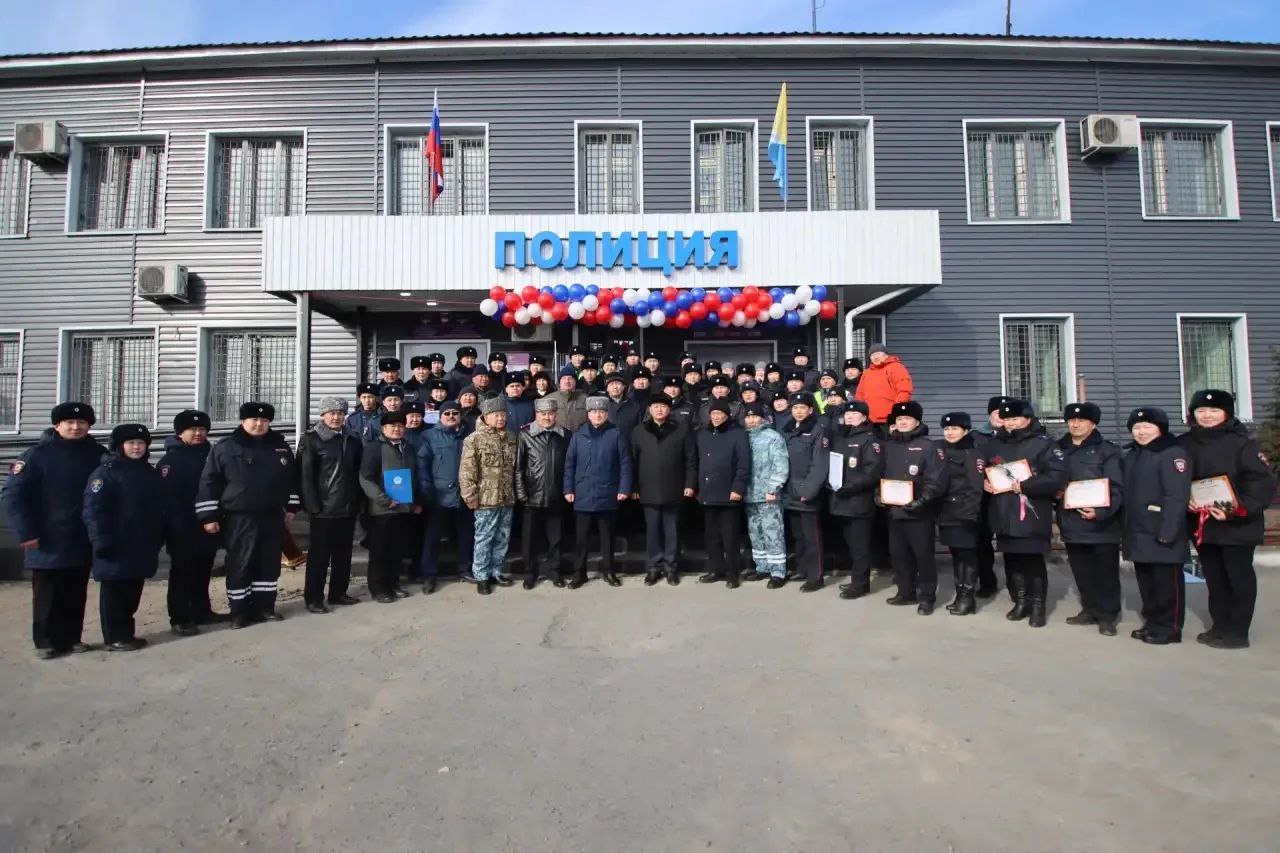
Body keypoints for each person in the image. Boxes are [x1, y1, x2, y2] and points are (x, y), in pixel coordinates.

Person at [4, 403, 105, 659]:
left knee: (75, 590)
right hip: (47, 536)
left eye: (81, 423)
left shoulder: (98, 455)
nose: (76, 427)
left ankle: (71, 638)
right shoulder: (36, 456)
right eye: (69, 422)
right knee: (47, 593)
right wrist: (26, 531)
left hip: (81, 535)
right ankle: (46, 641)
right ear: (57, 425)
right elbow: (14, 496)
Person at [1180, 390, 1277, 649]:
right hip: (1203, 523)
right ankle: (1220, 625)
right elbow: (1176, 480)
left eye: (1214, 411)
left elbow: (1261, 484)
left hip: (1237, 524)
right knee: (1214, 578)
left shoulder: (1243, 444)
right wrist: (1185, 500)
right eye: (1201, 410)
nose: (1207, 415)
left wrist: (1236, 508)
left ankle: (1237, 631)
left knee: (1238, 577)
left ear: (1226, 413)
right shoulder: (1184, 444)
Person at [196, 402, 301, 628]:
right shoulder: (226, 447)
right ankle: (239, 612)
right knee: (240, 563)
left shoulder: (280, 447)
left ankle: (265, 607)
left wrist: (292, 507)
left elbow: (291, 479)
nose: (259, 424)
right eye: (254, 419)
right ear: (243, 421)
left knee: (268, 563)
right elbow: (210, 482)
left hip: (272, 516)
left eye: (264, 420)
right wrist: (208, 516)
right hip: (239, 517)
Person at [82, 424, 171, 651]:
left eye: (141, 443)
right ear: (119, 446)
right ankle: (115, 637)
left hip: (141, 542)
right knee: (115, 593)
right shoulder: (106, 473)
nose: (136, 447)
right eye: (131, 443)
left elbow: (159, 507)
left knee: (132, 591)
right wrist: (100, 539)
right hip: (115, 543)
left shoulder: (149, 472)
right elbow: (94, 510)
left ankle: (126, 634)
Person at [982, 399, 1067, 628]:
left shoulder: (1043, 443)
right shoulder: (995, 444)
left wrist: (1026, 486)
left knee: (1032, 561)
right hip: (1003, 510)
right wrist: (986, 483)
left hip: (1031, 512)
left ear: (1028, 419)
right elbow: (985, 470)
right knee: (1012, 560)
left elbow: (1056, 476)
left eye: (1015, 418)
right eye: (1006, 419)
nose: (1010, 423)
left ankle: (1038, 606)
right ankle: (1021, 601)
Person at [1123, 407, 1192, 645]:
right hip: (1139, 529)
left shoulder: (1172, 453)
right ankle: (1152, 622)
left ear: (1160, 429)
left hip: (1161, 529)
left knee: (1166, 584)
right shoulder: (1133, 455)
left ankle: (1170, 627)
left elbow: (1176, 496)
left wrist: (1168, 530)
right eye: (1137, 427)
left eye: (1147, 427)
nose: (1141, 432)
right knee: (1147, 582)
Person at [1055, 402, 1124, 635]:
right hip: (1071, 521)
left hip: (1101, 524)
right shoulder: (1058, 449)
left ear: (1093, 424)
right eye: (1071, 420)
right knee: (1081, 571)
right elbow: (1051, 478)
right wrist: (1055, 492)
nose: (1075, 424)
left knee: (1106, 573)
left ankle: (1107, 616)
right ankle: (1090, 609)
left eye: (1081, 420)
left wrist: (1102, 512)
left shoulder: (1108, 451)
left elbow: (1117, 487)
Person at [157, 410, 226, 635]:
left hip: (209, 524)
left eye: (202, 429)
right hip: (183, 527)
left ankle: (201, 611)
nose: (198, 433)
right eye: (192, 430)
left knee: (203, 570)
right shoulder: (171, 461)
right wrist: (175, 527)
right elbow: (168, 499)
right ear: (180, 432)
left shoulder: (212, 454)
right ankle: (179, 617)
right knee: (182, 573)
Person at [297, 396, 363, 613]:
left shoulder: (352, 438)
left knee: (343, 554)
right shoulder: (311, 439)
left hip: (347, 506)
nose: (336, 417)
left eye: (340, 413)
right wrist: (312, 506)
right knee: (319, 557)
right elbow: (304, 476)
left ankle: (338, 593)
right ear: (323, 415)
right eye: (332, 413)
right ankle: (314, 598)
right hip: (324, 509)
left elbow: (357, 472)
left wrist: (357, 501)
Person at [881, 402, 947, 614]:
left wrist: (922, 500)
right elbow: (881, 474)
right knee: (899, 555)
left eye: (907, 419)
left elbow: (936, 480)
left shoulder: (929, 447)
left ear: (917, 422)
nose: (902, 422)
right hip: (895, 511)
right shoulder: (889, 445)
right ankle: (905, 592)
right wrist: (878, 495)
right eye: (899, 419)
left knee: (923, 556)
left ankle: (927, 597)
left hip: (919, 512)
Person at [564, 397, 633, 588]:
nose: (598, 415)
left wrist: (624, 488)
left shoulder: (616, 434)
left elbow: (625, 464)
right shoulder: (578, 436)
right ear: (588, 414)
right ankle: (579, 572)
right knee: (581, 539)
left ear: (606, 414)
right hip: (583, 493)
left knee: (608, 537)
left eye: (601, 412)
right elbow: (569, 465)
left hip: (608, 492)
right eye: (594, 412)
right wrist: (568, 488)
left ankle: (608, 571)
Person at [630, 393, 696, 585]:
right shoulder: (639, 431)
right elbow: (632, 461)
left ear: (669, 409)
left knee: (671, 530)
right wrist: (634, 486)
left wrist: (690, 484)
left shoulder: (681, 429)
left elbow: (690, 459)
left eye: (663, 406)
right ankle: (653, 567)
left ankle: (671, 568)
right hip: (648, 488)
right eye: (656, 406)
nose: (659, 410)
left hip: (674, 487)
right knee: (652, 531)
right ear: (649, 410)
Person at [460, 397, 519, 595]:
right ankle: (481, 576)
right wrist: (470, 496)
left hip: (506, 497)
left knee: (502, 537)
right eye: (495, 415)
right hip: (485, 498)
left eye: (503, 415)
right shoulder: (474, 439)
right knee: (484, 538)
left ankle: (496, 571)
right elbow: (467, 471)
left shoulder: (511, 437)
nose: (500, 418)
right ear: (485, 417)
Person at [359, 410, 419, 603]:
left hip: (403, 509)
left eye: (400, 426)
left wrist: (414, 502)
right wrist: (384, 499)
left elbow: (413, 477)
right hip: (381, 510)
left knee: (397, 549)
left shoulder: (408, 448)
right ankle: (379, 588)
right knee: (380, 551)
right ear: (383, 428)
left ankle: (393, 583)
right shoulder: (374, 448)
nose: (397, 429)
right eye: (392, 426)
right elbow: (365, 478)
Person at [827, 401, 883, 600]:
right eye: (847, 413)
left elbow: (872, 472)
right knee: (851, 545)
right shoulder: (841, 437)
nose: (849, 416)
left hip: (859, 501)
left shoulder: (870, 440)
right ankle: (857, 580)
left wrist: (849, 487)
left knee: (860, 547)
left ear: (864, 417)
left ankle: (860, 584)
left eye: (854, 413)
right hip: (841, 501)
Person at [416, 400, 474, 591]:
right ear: (440, 416)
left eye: (454, 413)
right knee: (433, 537)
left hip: (464, 494)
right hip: (439, 495)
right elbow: (422, 464)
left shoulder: (470, 434)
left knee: (466, 534)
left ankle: (465, 569)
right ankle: (429, 575)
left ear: (460, 416)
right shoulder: (429, 436)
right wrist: (426, 489)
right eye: (446, 413)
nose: (451, 416)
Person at [516, 397, 570, 588]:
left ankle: (555, 571)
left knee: (556, 539)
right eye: (542, 414)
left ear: (556, 414)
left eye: (550, 413)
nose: (546, 417)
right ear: (536, 415)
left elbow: (569, 467)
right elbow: (518, 468)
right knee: (530, 540)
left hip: (556, 496)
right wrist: (522, 494)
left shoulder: (565, 435)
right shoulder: (525, 435)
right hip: (532, 497)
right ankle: (530, 573)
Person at [695, 401, 751, 588]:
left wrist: (738, 488)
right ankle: (715, 569)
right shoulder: (702, 434)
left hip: (729, 493)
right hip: (708, 492)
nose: (716, 417)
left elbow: (743, 464)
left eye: (720, 413)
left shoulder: (738, 434)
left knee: (730, 537)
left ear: (727, 415)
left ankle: (732, 573)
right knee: (712, 536)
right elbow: (697, 461)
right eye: (713, 413)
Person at [936, 412, 986, 615]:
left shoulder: (973, 453)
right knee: (956, 555)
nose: (950, 432)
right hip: (946, 512)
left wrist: (970, 515)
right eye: (946, 429)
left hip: (964, 513)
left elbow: (975, 488)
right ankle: (960, 595)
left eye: (955, 428)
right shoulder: (940, 451)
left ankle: (968, 598)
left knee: (967, 556)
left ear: (965, 430)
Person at [781, 393, 829, 592]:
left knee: (812, 538)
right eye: (795, 408)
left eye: (802, 407)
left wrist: (809, 490)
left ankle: (815, 576)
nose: (798, 411)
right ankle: (802, 569)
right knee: (798, 535)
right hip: (789, 491)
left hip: (807, 493)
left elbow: (820, 464)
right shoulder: (788, 429)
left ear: (810, 409)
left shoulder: (818, 430)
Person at [741, 402, 790, 587]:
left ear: (762, 418)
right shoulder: (743, 437)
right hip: (749, 494)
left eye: (755, 416)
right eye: (748, 417)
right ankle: (762, 567)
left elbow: (781, 465)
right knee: (755, 532)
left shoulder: (773, 437)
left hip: (768, 495)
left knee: (773, 532)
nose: (751, 420)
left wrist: (773, 488)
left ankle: (778, 571)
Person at [971, 396, 1013, 598]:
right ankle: (987, 582)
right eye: (997, 412)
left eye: (1005, 413)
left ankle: (1016, 586)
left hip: (1011, 496)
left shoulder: (1016, 436)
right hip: (984, 498)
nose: (1001, 417)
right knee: (981, 542)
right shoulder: (975, 436)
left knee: (1012, 542)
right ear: (990, 414)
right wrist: (981, 483)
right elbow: (969, 465)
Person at [855, 344, 914, 429]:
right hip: (870, 421)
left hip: (890, 420)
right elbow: (859, 395)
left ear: (886, 355)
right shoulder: (866, 373)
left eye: (878, 354)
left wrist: (897, 412)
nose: (875, 357)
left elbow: (905, 390)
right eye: (872, 355)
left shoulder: (896, 367)